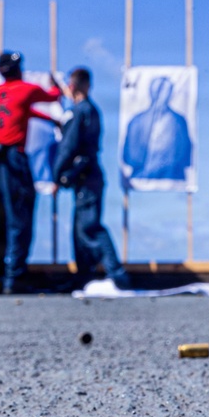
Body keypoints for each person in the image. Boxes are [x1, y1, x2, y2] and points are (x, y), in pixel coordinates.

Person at [0, 50, 64, 294]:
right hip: (13, 160)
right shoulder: (27, 89)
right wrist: (55, 82)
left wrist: (49, 122)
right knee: (20, 218)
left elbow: (21, 111)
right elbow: (54, 96)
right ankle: (14, 278)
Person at [52, 67, 130, 291]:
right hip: (86, 177)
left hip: (85, 177)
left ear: (72, 86)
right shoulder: (90, 111)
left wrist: (57, 175)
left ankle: (117, 276)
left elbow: (68, 147)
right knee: (80, 229)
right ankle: (84, 278)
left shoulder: (79, 112)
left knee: (88, 227)